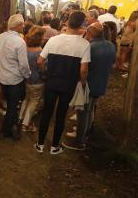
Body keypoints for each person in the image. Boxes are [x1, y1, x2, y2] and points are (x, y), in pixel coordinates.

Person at [35, 11, 90, 155]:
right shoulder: (85, 44)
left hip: (51, 82)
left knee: (47, 113)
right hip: (69, 84)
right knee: (61, 114)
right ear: (82, 25)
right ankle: (54, 146)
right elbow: (83, 70)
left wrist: (45, 73)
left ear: (67, 21)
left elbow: (40, 61)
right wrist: (82, 83)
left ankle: (40, 144)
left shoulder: (54, 40)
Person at [63, 23, 115, 150]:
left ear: (89, 33)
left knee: (83, 113)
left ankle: (79, 141)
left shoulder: (89, 47)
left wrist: (82, 82)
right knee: (90, 110)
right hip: (101, 83)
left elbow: (83, 69)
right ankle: (86, 132)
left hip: (88, 84)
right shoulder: (110, 45)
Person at [0, 14, 31, 139]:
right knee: (13, 105)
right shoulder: (20, 42)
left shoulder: (0, 37)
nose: (24, 26)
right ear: (18, 26)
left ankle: (8, 127)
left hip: (2, 78)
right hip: (15, 80)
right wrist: (28, 76)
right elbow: (23, 65)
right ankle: (7, 131)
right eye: (23, 24)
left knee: (11, 105)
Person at [19, 27, 45, 132]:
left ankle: (20, 118)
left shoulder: (24, 49)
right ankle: (25, 124)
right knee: (34, 102)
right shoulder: (40, 52)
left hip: (27, 79)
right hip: (37, 81)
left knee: (26, 99)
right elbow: (42, 68)